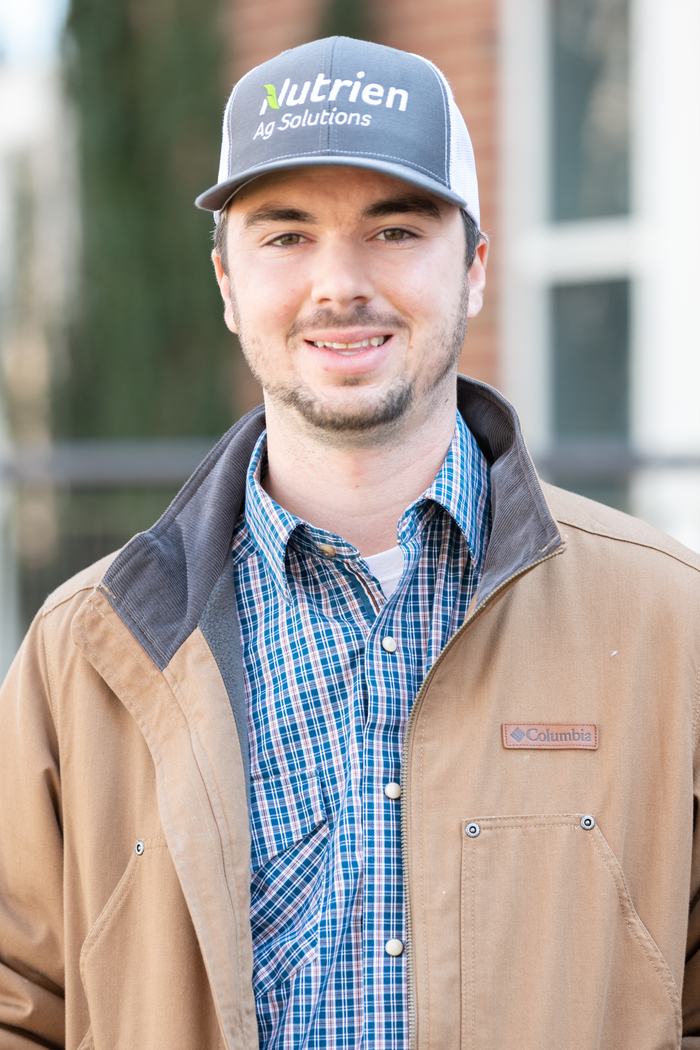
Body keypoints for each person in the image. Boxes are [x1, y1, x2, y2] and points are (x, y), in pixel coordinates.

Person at [1, 34, 699, 1050]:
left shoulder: (667, 623)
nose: (339, 285)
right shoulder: (86, 652)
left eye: (394, 229)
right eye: (285, 237)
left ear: (472, 269)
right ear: (227, 282)